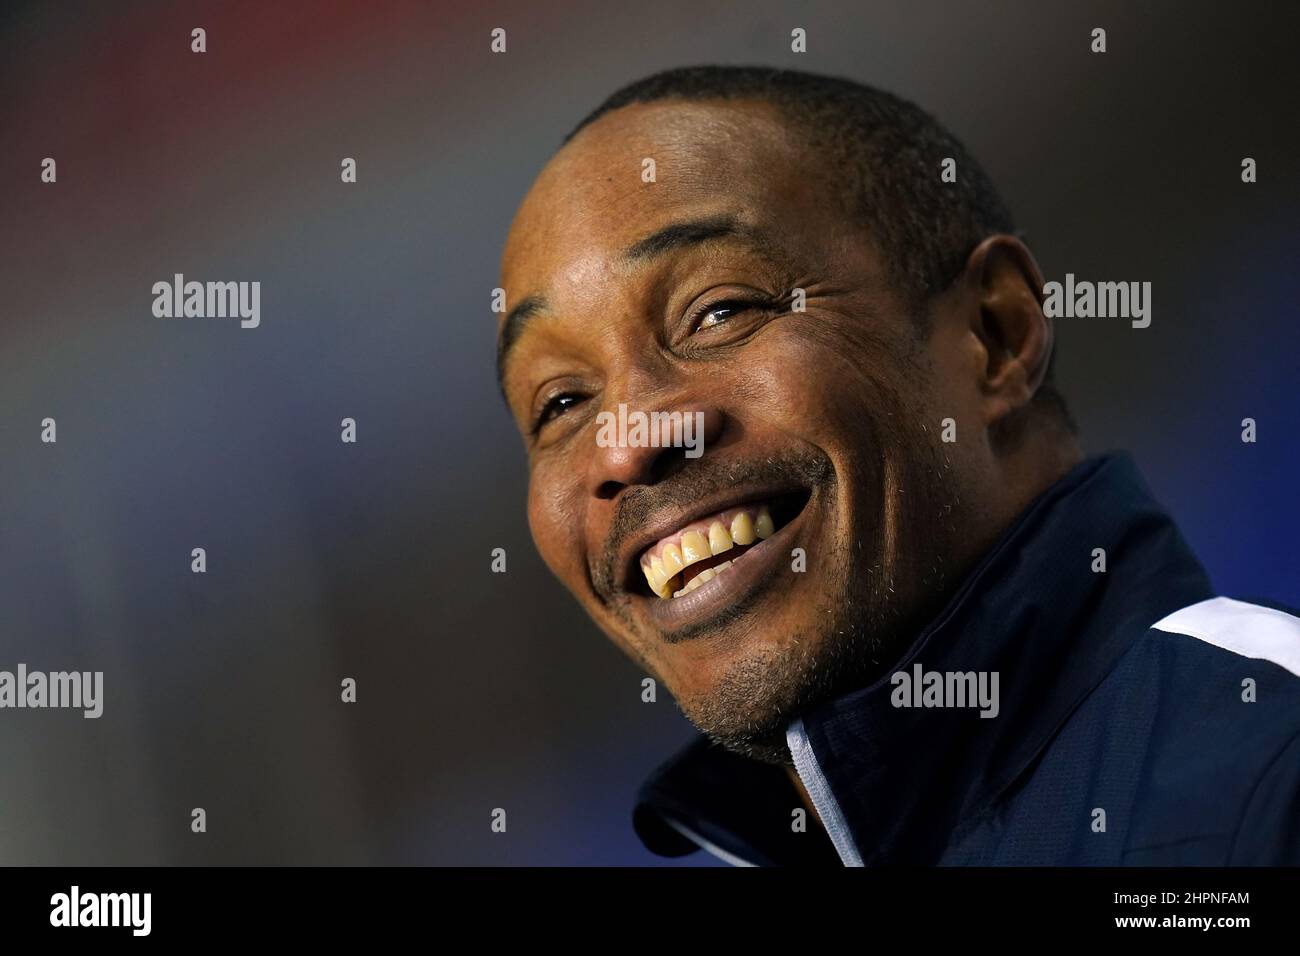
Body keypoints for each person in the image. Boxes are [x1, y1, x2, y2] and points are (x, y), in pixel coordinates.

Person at [495, 66, 1300, 865]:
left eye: (719, 311)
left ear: (996, 333)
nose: (626, 442)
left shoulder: (1265, 780)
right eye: (560, 403)